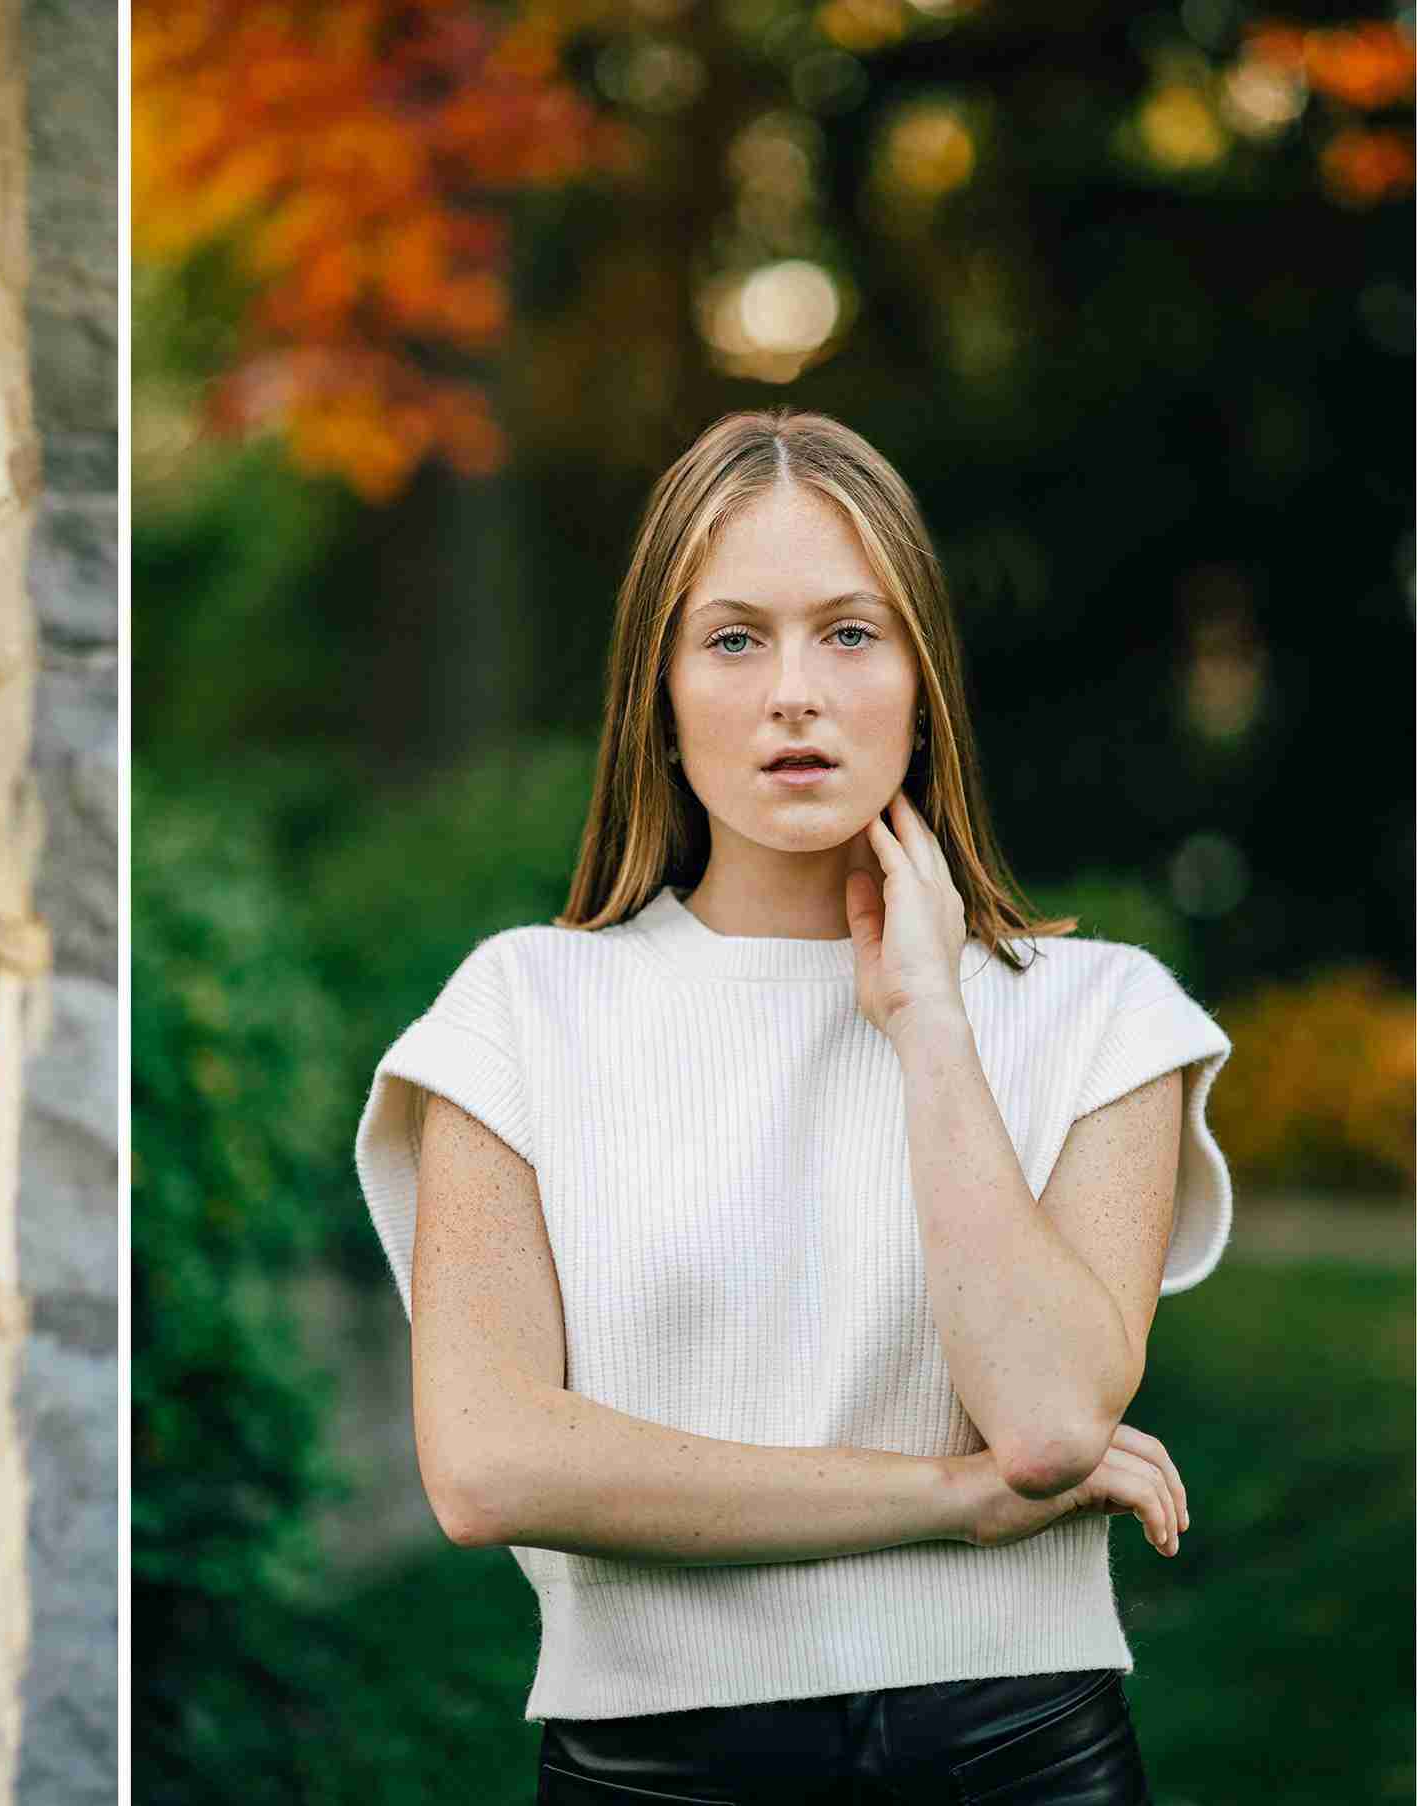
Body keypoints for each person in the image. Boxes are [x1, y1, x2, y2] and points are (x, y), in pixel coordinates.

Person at [352, 409, 1232, 1801]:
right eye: (734, 639)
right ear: (658, 694)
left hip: (1021, 1762)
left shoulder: (1104, 1015)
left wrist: (930, 1020)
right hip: (655, 1775)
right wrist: (943, 1498)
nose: (795, 694)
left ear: (924, 683)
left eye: (851, 633)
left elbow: (1053, 1422)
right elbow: (488, 1463)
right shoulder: (518, 1012)